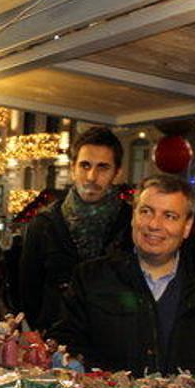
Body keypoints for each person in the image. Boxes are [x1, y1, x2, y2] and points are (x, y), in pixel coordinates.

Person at [51, 175, 195, 381]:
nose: (154, 225)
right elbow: (66, 354)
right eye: (146, 211)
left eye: (169, 216)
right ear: (133, 217)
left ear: (186, 227)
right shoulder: (90, 280)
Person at [20, 127, 131, 331]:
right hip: (56, 342)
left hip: (114, 342)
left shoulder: (133, 224)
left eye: (103, 167)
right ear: (73, 169)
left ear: (117, 173)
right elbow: (29, 291)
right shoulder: (44, 224)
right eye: (85, 165)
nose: (91, 176)